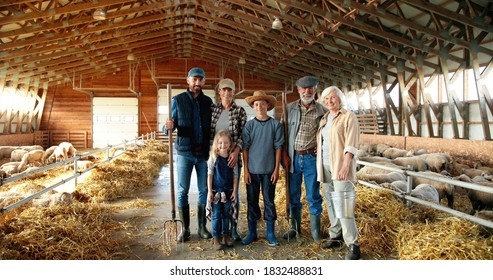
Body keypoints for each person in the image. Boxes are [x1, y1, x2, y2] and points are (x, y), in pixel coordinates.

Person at [164, 67, 213, 242]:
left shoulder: (208, 102)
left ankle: (201, 228)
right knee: (182, 190)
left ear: (204, 82)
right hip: (184, 153)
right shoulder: (177, 100)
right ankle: (184, 230)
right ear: (188, 80)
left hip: (203, 155)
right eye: (194, 79)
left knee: (204, 190)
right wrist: (167, 126)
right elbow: (167, 127)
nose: (197, 83)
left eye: (200, 80)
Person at [316, 86, 361, 260]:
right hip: (325, 165)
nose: (329, 101)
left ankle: (353, 244)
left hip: (340, 167)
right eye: (326, 99)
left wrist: (345, 166)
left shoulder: (348, 116)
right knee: (331, 202)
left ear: (340, 98)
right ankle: (336, 236)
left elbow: (351, 143)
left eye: (332, 98)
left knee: (344, 205)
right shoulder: (325, 118)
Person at [281, 76, 327, 243]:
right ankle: (295, 228)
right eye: (304, 88)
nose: (307, 91)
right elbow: (282, 134)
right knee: (293, 195)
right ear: (298, 90)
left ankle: (315, 232)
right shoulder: (289, 108)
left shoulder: (322, 111)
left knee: (313, 195)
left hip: (311, 159)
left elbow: (328, 135)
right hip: (293, 157)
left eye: (311, 88)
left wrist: (320, 148)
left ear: (316, 89)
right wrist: (284, 155)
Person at [242, 91, 284, 246]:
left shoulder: (276, 125)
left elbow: (278, 148)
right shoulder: (249, 125)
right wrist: (245, 170)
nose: (260, 107)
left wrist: (276, 169)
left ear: (268, 105)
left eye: (263, 104)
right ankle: (252, 232)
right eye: (256, 104)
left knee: (269, 201)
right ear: (253, 107)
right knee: (252, 201)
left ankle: (270, 233)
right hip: (252, 170)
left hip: (268, 171)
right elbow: (245, 149)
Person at [210, 78, 247, 241]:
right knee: (215, 194)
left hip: (232, 159)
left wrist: (236, 151)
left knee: (233, 195)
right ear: (219, 92)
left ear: (233, 93)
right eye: (224, 90)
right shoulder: (213, 110)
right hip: (216, 159)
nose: (227, 93)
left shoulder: (240, 111)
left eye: (230, 90)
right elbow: (209, 134)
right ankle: (216, 231)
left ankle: (232, 230)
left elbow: (243, 135)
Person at [207, 130, 238, 250]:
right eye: (220, 143)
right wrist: (210, 191)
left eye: (225, 143)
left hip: (228, 192)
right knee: (216, 216)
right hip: (216, 193)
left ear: (230, 144)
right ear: (216, 144)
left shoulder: (232, 159)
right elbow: (210, 175)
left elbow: (235, 176)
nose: (223, 145)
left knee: (226, 214)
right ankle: (216, 237)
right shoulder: (214, 158)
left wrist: (234, 191)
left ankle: (226, 235)